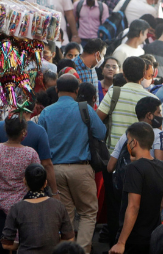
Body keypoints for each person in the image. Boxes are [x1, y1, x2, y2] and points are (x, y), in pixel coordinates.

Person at [37, 74, 106, 252]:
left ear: (57, 90)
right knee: (88, 212)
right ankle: (82, 250)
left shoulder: (46, 112)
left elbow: (42, 141)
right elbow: (101, 133)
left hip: (55, 170)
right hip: (81, 168)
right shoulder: (84, 109)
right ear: (77, 90)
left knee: (65, 215)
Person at [0, 115, 40, 251]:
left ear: (5, 130)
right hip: (23, 204)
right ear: (23, 132)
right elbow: (37, 178)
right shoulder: (30, 153)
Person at [109, 122, 163, 254]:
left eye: (129, 140)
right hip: (152, 234)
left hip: (134, 237)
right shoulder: (161, 166)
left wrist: (121, 242)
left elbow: (133, 207)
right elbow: (159, 202)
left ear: (134, 142)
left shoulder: (133, 168)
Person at [1, 163, 75, 253]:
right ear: (45, 183)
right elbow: (69, 238)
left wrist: (23, 244)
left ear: (25, 181)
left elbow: (6, 244)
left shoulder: (17, 208)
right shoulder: (58, 205)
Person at [97, 56, 159, 150]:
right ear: (143, 75)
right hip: (139, 154)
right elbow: (158, 132)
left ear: (124, 74)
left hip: (113, 153)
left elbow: (97, 120)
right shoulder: (153, 100)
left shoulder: (113, 93)